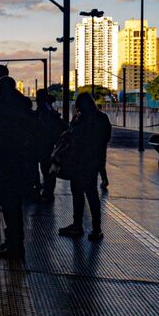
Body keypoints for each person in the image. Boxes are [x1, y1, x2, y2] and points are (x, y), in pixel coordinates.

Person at [0, 76, 36, 259]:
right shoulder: (23, 109)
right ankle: (14, 243)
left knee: (9, 206)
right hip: (20, 165)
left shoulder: (4, 112)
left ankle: (14, 246)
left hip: (6, 165)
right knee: (13, 207)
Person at [58, 92, 111, 241]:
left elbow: (71, 136)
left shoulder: (79, 119)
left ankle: (78, 225)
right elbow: (105, 138)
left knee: (79, 194)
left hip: (79, 161)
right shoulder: (102, 118)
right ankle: (95, 228)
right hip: (92, 161)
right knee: (91, 194)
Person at [34, 90, 68, 202]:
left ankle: (48, 193)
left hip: (45, 144)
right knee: (47, 169)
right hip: (48, 143)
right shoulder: (48, 110)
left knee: (47, 169)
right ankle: (48, 192)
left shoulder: (44, 110)